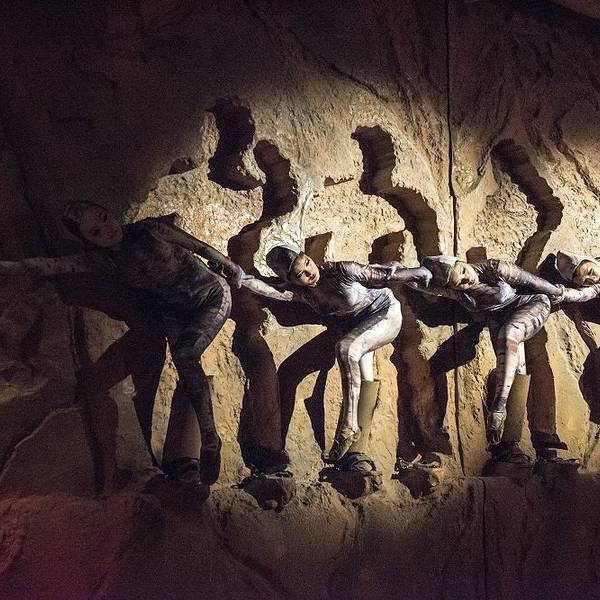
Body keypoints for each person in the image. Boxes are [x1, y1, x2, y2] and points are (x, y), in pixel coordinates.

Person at [0, 201, 243, 485]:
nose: (107, 230)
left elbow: (197, 246)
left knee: (185, 355)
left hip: (210, 295)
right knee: (184, 361)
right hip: (174, 311)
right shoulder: (102, 261)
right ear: (89, 240)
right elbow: (51, 265)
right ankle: (199, 447)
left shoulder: (150, 230)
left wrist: (230, 267)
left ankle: (210, 440)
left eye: (105, 218)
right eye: (95, 232)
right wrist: (9, 268)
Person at [240, 245, 431, 468]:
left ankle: (349, 427)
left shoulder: (342, 271)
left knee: (345, 349)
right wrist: (240, 277)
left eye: (308, 263)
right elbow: (269, 290)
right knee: (360, 374)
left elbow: (387, 274)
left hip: (384, 313)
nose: (309, 273)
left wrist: (420, 272)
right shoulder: (304, 293)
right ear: (291, 280)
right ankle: (354, 457)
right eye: (300, 274)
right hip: (355, 329)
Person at [408, 256, 600, 464]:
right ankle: (510, 446)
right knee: (514, 362)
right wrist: (396, 273)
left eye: (590, 274)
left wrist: (563, 292)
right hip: (501, 315)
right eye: (585, 277)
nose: (590, 279)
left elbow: (541, 285)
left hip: (530, 305)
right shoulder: (463, 290)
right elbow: (423, 283)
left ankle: (526, 438)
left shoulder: (496, 269)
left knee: (516, 347)